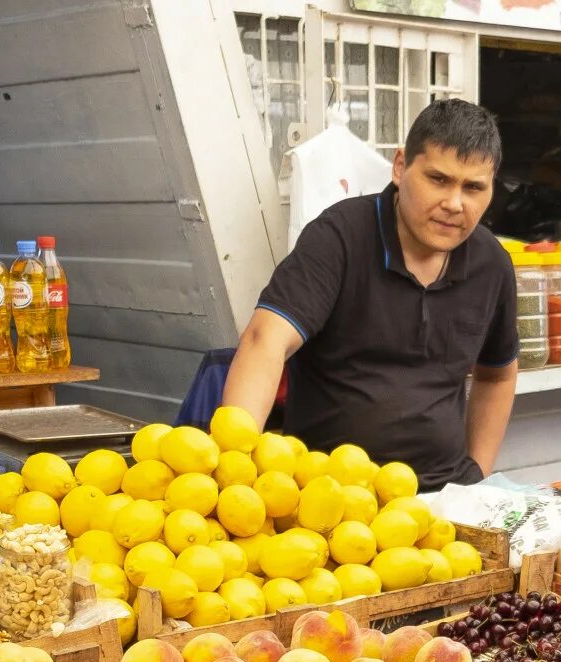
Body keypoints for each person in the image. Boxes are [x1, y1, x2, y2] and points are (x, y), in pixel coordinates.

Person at [221, 99, 520, 489]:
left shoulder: (490, 263)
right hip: (326, 501)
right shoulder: (339, 238)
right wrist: (234, 476)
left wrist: (475, 475)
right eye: (438, 179)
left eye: (473, 187)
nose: (454, 203)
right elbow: (265, 340)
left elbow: (497, 375)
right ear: (400, 167)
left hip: (442, 500)